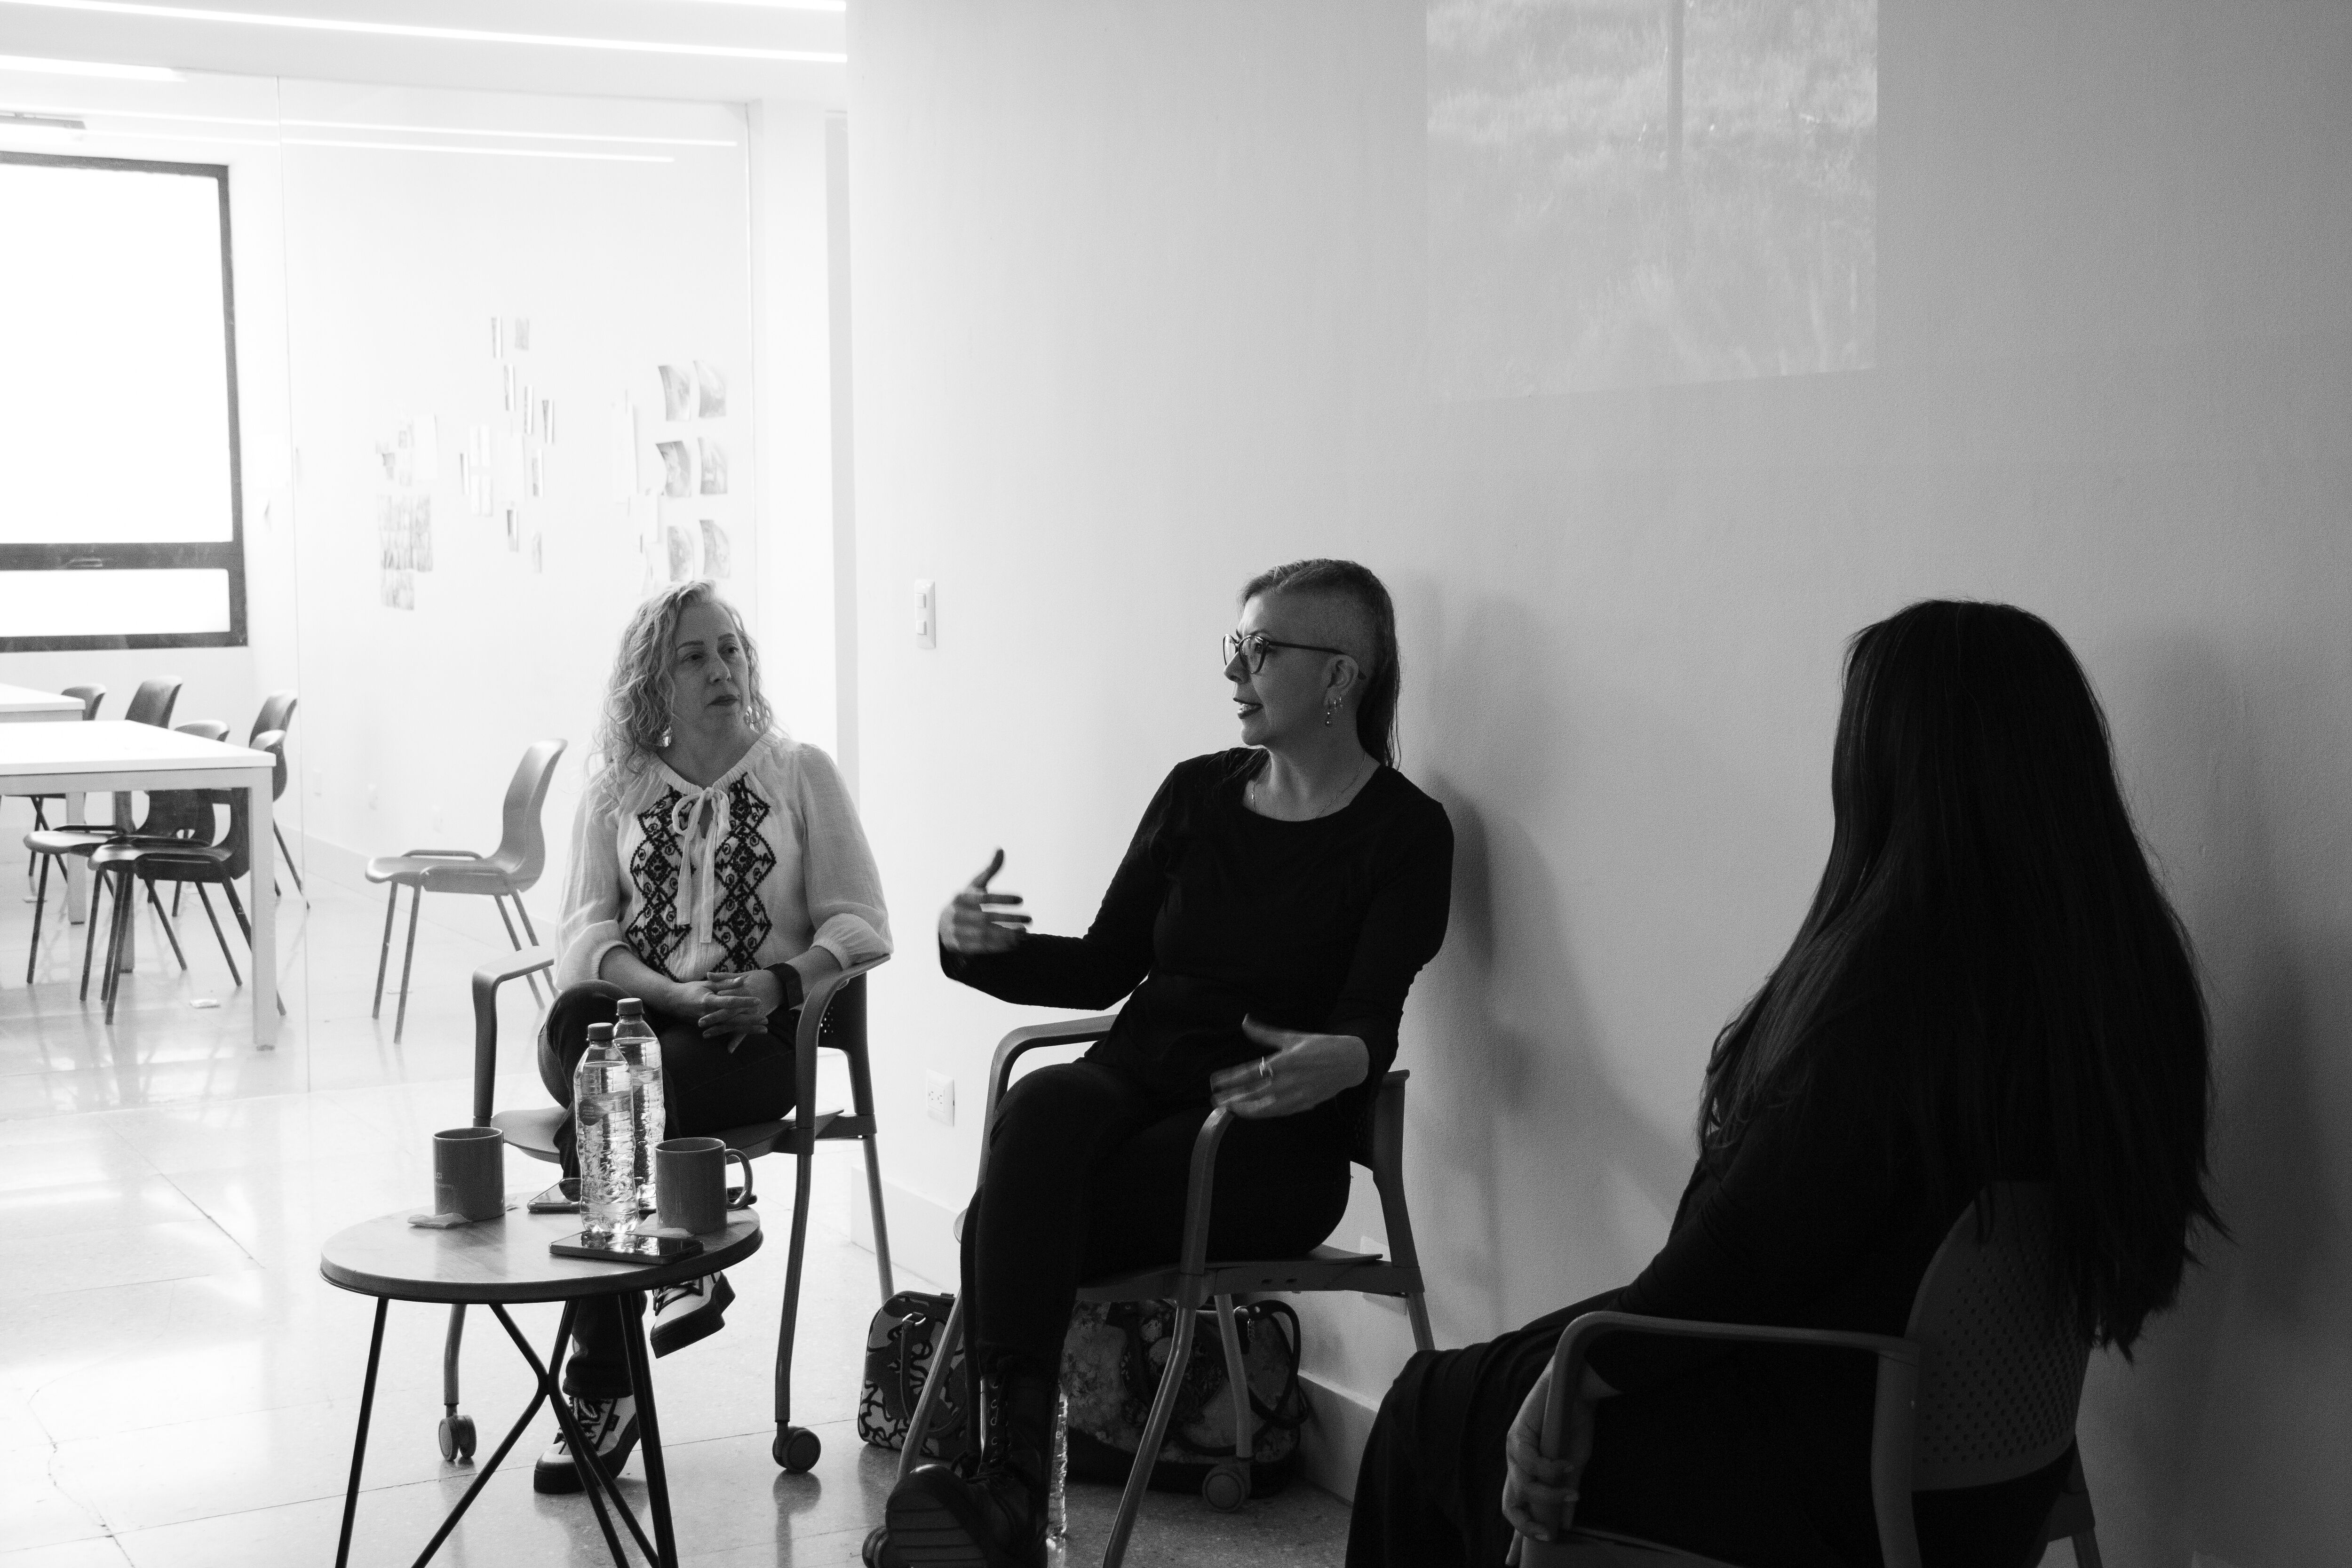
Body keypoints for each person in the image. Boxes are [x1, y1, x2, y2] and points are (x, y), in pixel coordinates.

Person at [1347, 600, 2223, 1568]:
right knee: (1522, 1367)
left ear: (1890, 763)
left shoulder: (1901, 988)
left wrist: (1572, 1380)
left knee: (1427, 1409)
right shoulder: (2126, 977)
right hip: (2003, 1474)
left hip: (1834, 1476)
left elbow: (1740, 1250)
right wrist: (1571, 1357)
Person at [879, 558, 1454, 1568]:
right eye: (1234, 644)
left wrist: (1346, 1058)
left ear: (1341, 677)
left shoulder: (1405, 833)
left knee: (1008, 1220)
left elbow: (1374, 1013)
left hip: (1266, 1131)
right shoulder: (1197, 793)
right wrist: (973, 946)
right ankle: (1009, 1494)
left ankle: (1001, 1492)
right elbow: (1108, 961)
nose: (1236, 668)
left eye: (1261, 648)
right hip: (1138, 1075)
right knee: (1043, 1108)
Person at [533, 581, 891, 1495]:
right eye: (694, 656)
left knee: (609, 1108)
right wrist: (673, 997)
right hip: (637, 1026)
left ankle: (598, 1389)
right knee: (589, 1028)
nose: (721, 668)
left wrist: (776, 982)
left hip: (748, 1045)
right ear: (652, 682)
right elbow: (581, 938)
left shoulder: (800, 771)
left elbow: (861, 924)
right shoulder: (617, 789)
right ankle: (674, 1251)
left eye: (730, 648)